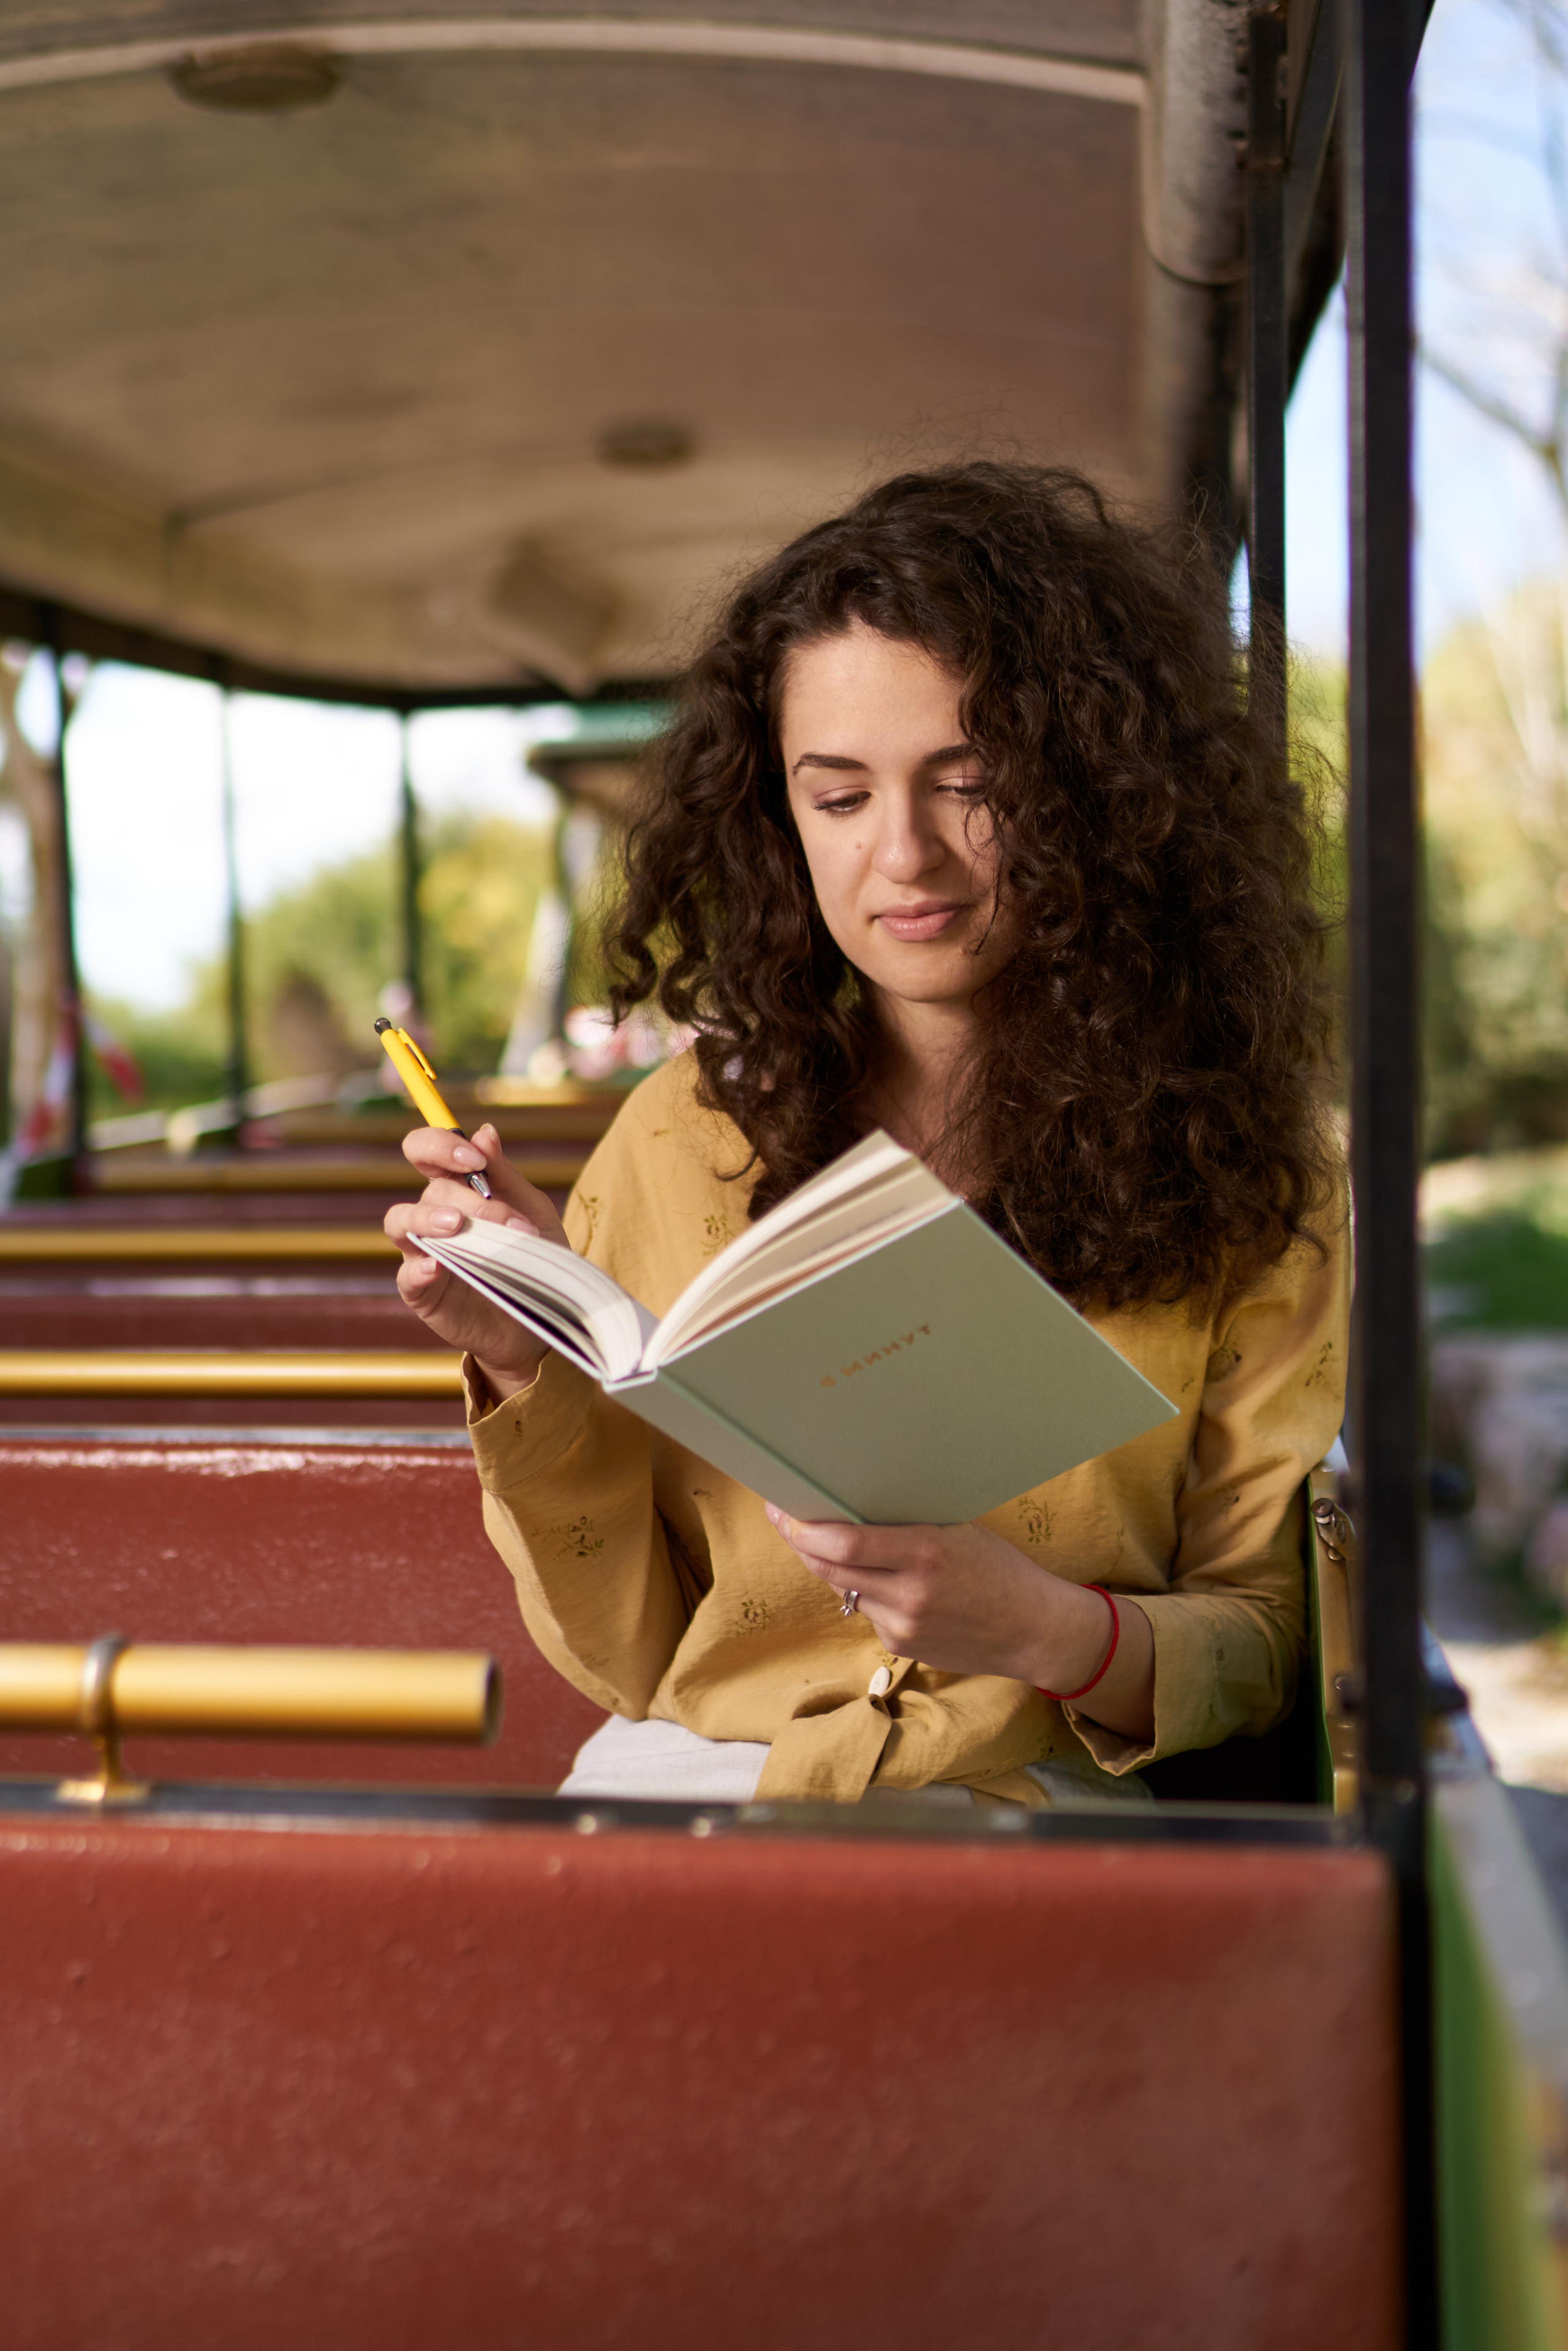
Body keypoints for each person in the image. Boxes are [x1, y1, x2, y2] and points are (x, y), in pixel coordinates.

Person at [387, 462, 1348, 1808]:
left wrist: (1046, 1630)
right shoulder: (679, 1135)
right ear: (778, 819)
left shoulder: (1254, 1162)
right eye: (837, 798)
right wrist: (528, 1358)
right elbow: (625, 1659)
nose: (903, 856)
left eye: (971, 785)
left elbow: (1264, 1647)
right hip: (699, 1781)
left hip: (1045, 1808)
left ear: (1099, 798)